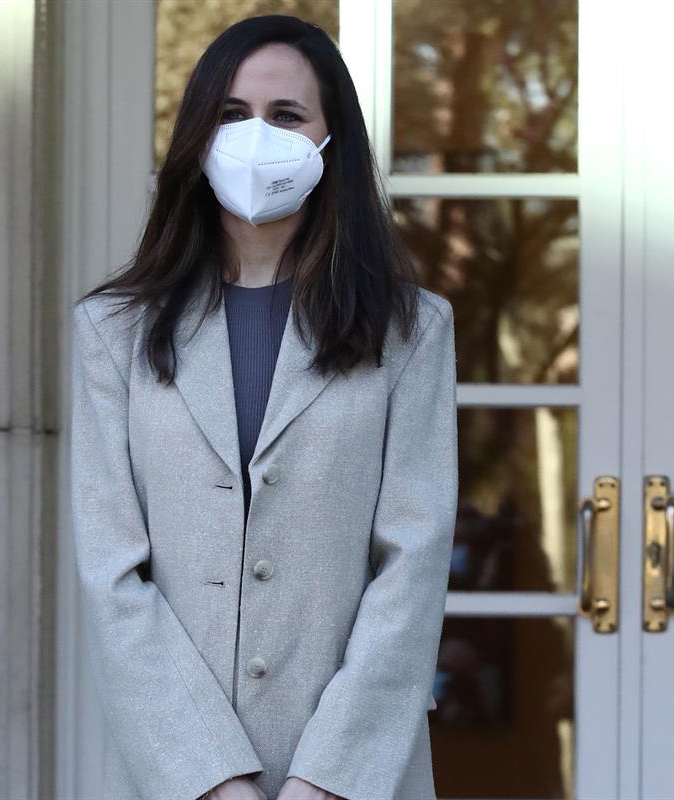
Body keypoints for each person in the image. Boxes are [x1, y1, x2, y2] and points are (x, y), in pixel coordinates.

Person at [71, 14, 458, 800]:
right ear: (196, 139)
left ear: (329, 142)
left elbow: (411, 566)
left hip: (359, 775)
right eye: (231, 114)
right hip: (175, 776)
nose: (256, 136)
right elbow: (112, 573)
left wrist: (328, 778)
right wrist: (210, 778)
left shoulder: (411, 329)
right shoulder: (111, 332)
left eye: (286, 115)